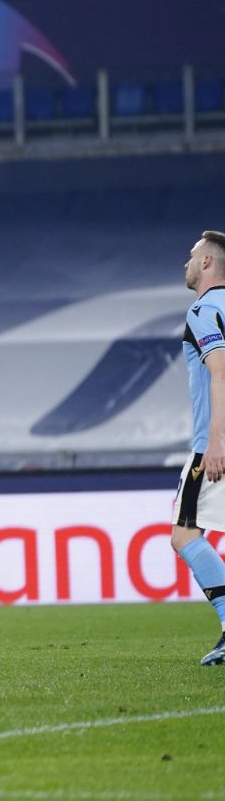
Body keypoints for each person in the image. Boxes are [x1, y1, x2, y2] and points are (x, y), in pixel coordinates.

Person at [171, 230, 225, 666]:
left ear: (207, 263)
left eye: (191, 257)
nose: (185, 264)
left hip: (214, 443)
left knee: (184, 533)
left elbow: (219, 374)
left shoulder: (205, 309)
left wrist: (214, 442)